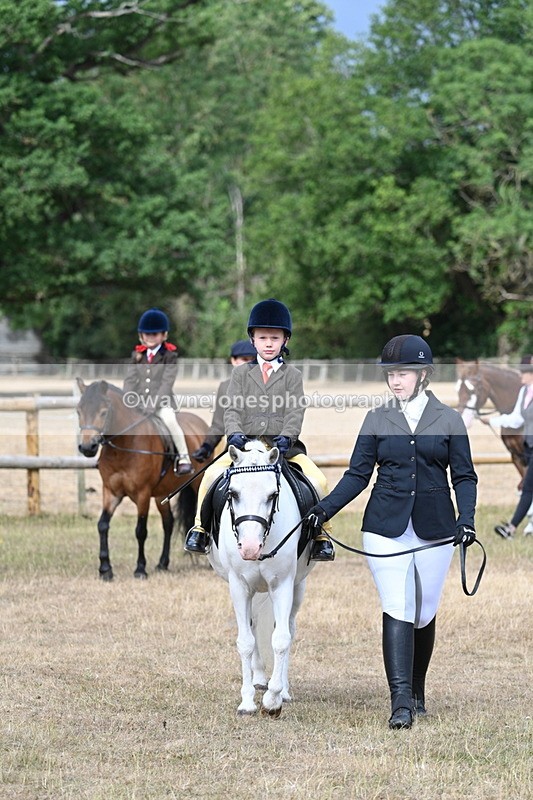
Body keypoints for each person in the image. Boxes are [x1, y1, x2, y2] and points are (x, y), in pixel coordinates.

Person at [306, 334, 477, 729]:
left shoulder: (448, 419)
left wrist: (465, 519)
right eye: (391, 374)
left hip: (436, 528)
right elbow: (358, 475)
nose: (395, 380)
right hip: (385, 527)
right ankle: (400, 701)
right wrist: (323, 508)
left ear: (423, 375)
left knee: (423, 611)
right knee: (397, 606)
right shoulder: (377, 419)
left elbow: (464, 477)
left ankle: (417, 690)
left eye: (403, 373)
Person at [184, 298, 335, 561]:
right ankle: (200, 529)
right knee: (210, 476)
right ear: (252, 339)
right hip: (244, 449)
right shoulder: (240, 375)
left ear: (285, 341)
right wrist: (233, 433)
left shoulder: (293, 376)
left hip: (283, 450)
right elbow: (230, 409)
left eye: (274, 338)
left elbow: (295, 411)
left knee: (318, 480)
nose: (268, 343)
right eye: (262, 337)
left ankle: (322, 535)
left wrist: (287, 438)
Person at [123, 308, 193, 475]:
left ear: (163, 335)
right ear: (141, 335)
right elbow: (130, 380)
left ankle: (184, 458)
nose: (150, 337)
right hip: (138, 403)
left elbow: (166, 384)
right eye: (147, 334)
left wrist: (153, 405)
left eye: (155, 334)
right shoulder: (137, 355)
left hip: (162, 403)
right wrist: (128, 399)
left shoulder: (169, 356)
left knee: (170, 421)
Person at [483, 354, 533, 538]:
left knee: (527, 487)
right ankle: (512, 528)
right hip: (529, 447)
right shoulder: (524, 393)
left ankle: (510, 528)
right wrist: (492, 420)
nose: (520, 375)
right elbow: (516, 418)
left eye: (524, 372)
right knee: (528, 487)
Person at [190, 339, 257, 464]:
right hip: (235, 451)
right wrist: (207, 446)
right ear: (233, 361)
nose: (248, 363)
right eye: (244, 359)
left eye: (252, 359)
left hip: (264, 451)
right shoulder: (225, 387)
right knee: (209, 477)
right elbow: (218, 425)